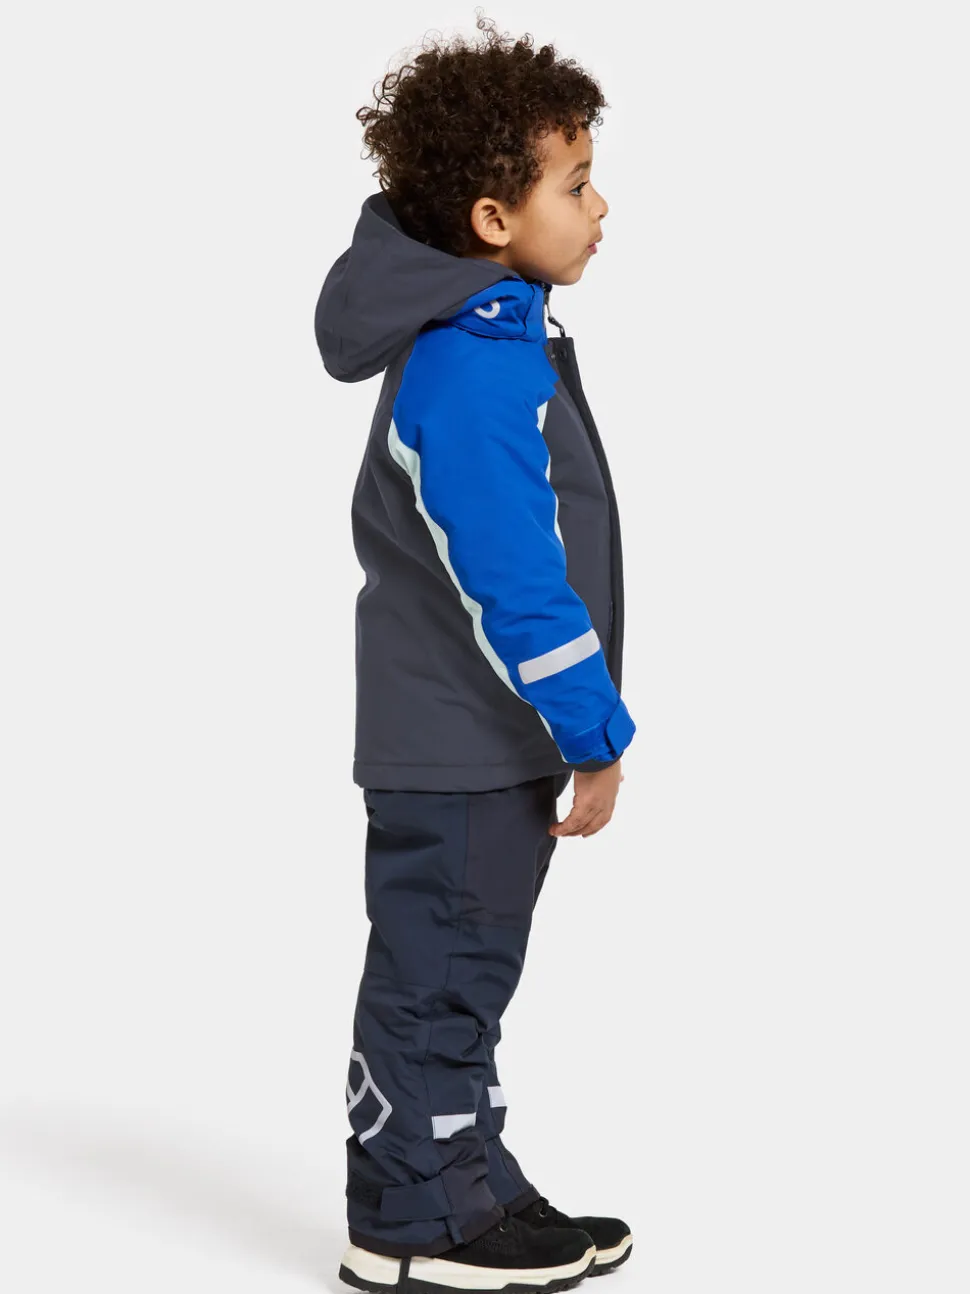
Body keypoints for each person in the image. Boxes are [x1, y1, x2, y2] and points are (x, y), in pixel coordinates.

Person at [314, 15, 636, 1292]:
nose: (601, 207)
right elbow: (511, 579)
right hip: (460, 740)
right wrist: (593, 732)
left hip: (476, 738)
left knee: (463, 972)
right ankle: (413, 1217)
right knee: (439, 974)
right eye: (576, 183)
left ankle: (465, 1174)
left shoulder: (492, 339)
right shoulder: (469, 365)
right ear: (495, 218)